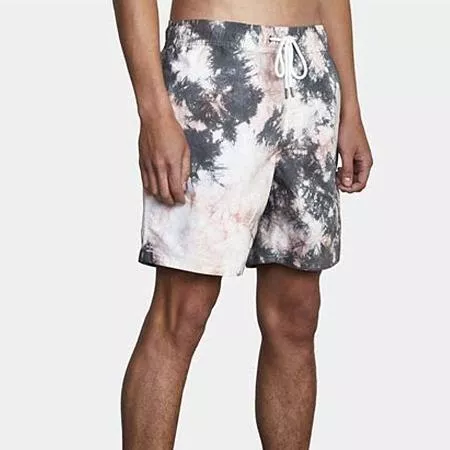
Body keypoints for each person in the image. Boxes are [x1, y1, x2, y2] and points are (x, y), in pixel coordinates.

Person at [113, 0, 373, 447]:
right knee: (183, 309)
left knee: (296, 313)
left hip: (309, 69)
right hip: (214, 63)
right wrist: (153, 113)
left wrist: (351, 106)